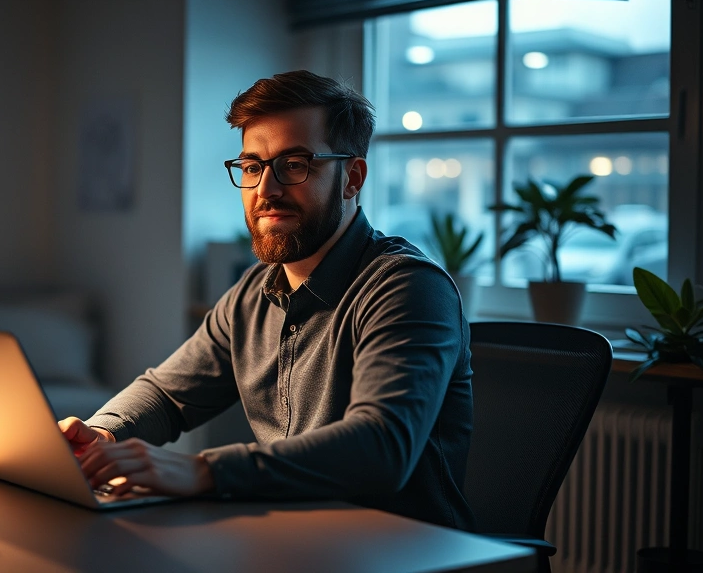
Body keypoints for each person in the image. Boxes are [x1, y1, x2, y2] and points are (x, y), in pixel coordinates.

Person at [58, 69, 474, 530]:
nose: (265, 190)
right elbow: (168, 395)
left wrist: (203, 470)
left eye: (294, 165)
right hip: (292, 539)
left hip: (409, 552)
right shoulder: (253, 294)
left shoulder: (407, 287)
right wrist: (100, 433)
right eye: (253, 166)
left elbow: (382, 448)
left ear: (352, 177)